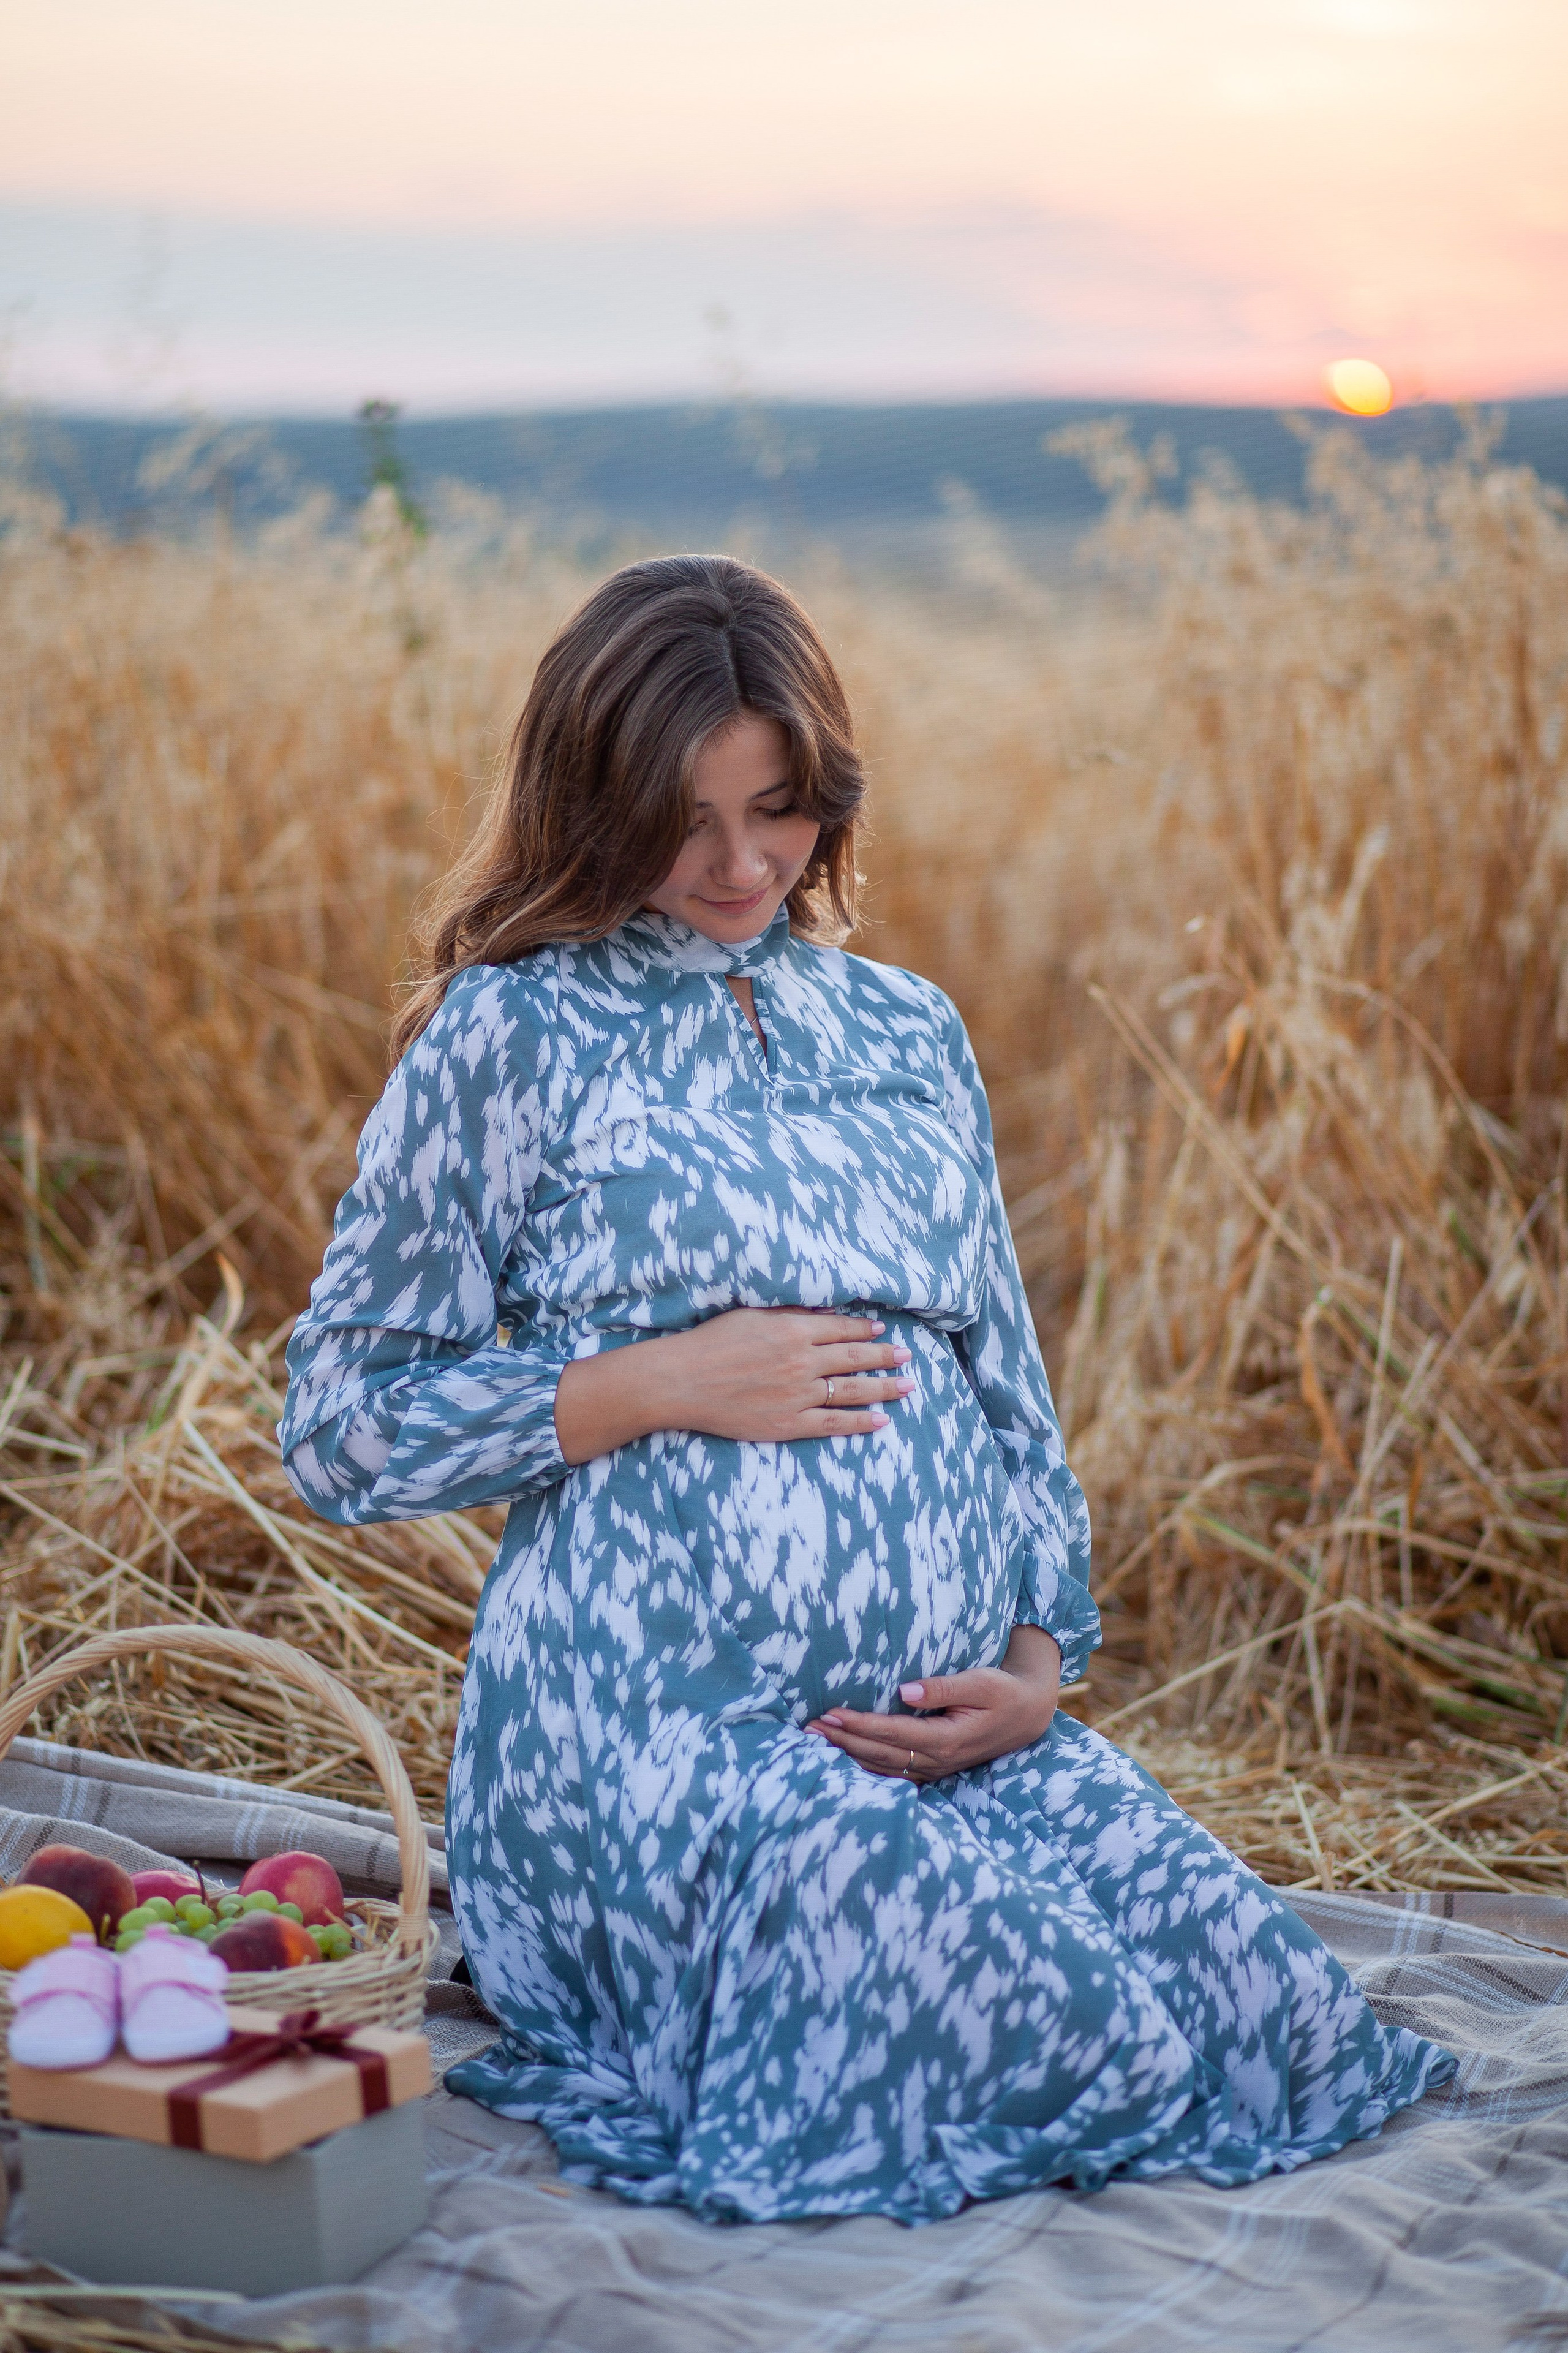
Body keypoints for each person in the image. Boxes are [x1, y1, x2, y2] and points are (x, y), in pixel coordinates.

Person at [280, 555, 1452, 2224]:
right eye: (685, 820)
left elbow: (1006, 1390)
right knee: (1086, 2036)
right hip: (658, 1755)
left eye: (779, 809)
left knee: (1271, 2020)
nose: (741, 864)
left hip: (944, 1738)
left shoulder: (908, 1028)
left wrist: (1036, 1668)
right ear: (593, 807)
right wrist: (657, 1378)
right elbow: (342, 1427)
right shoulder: (509, 1039)